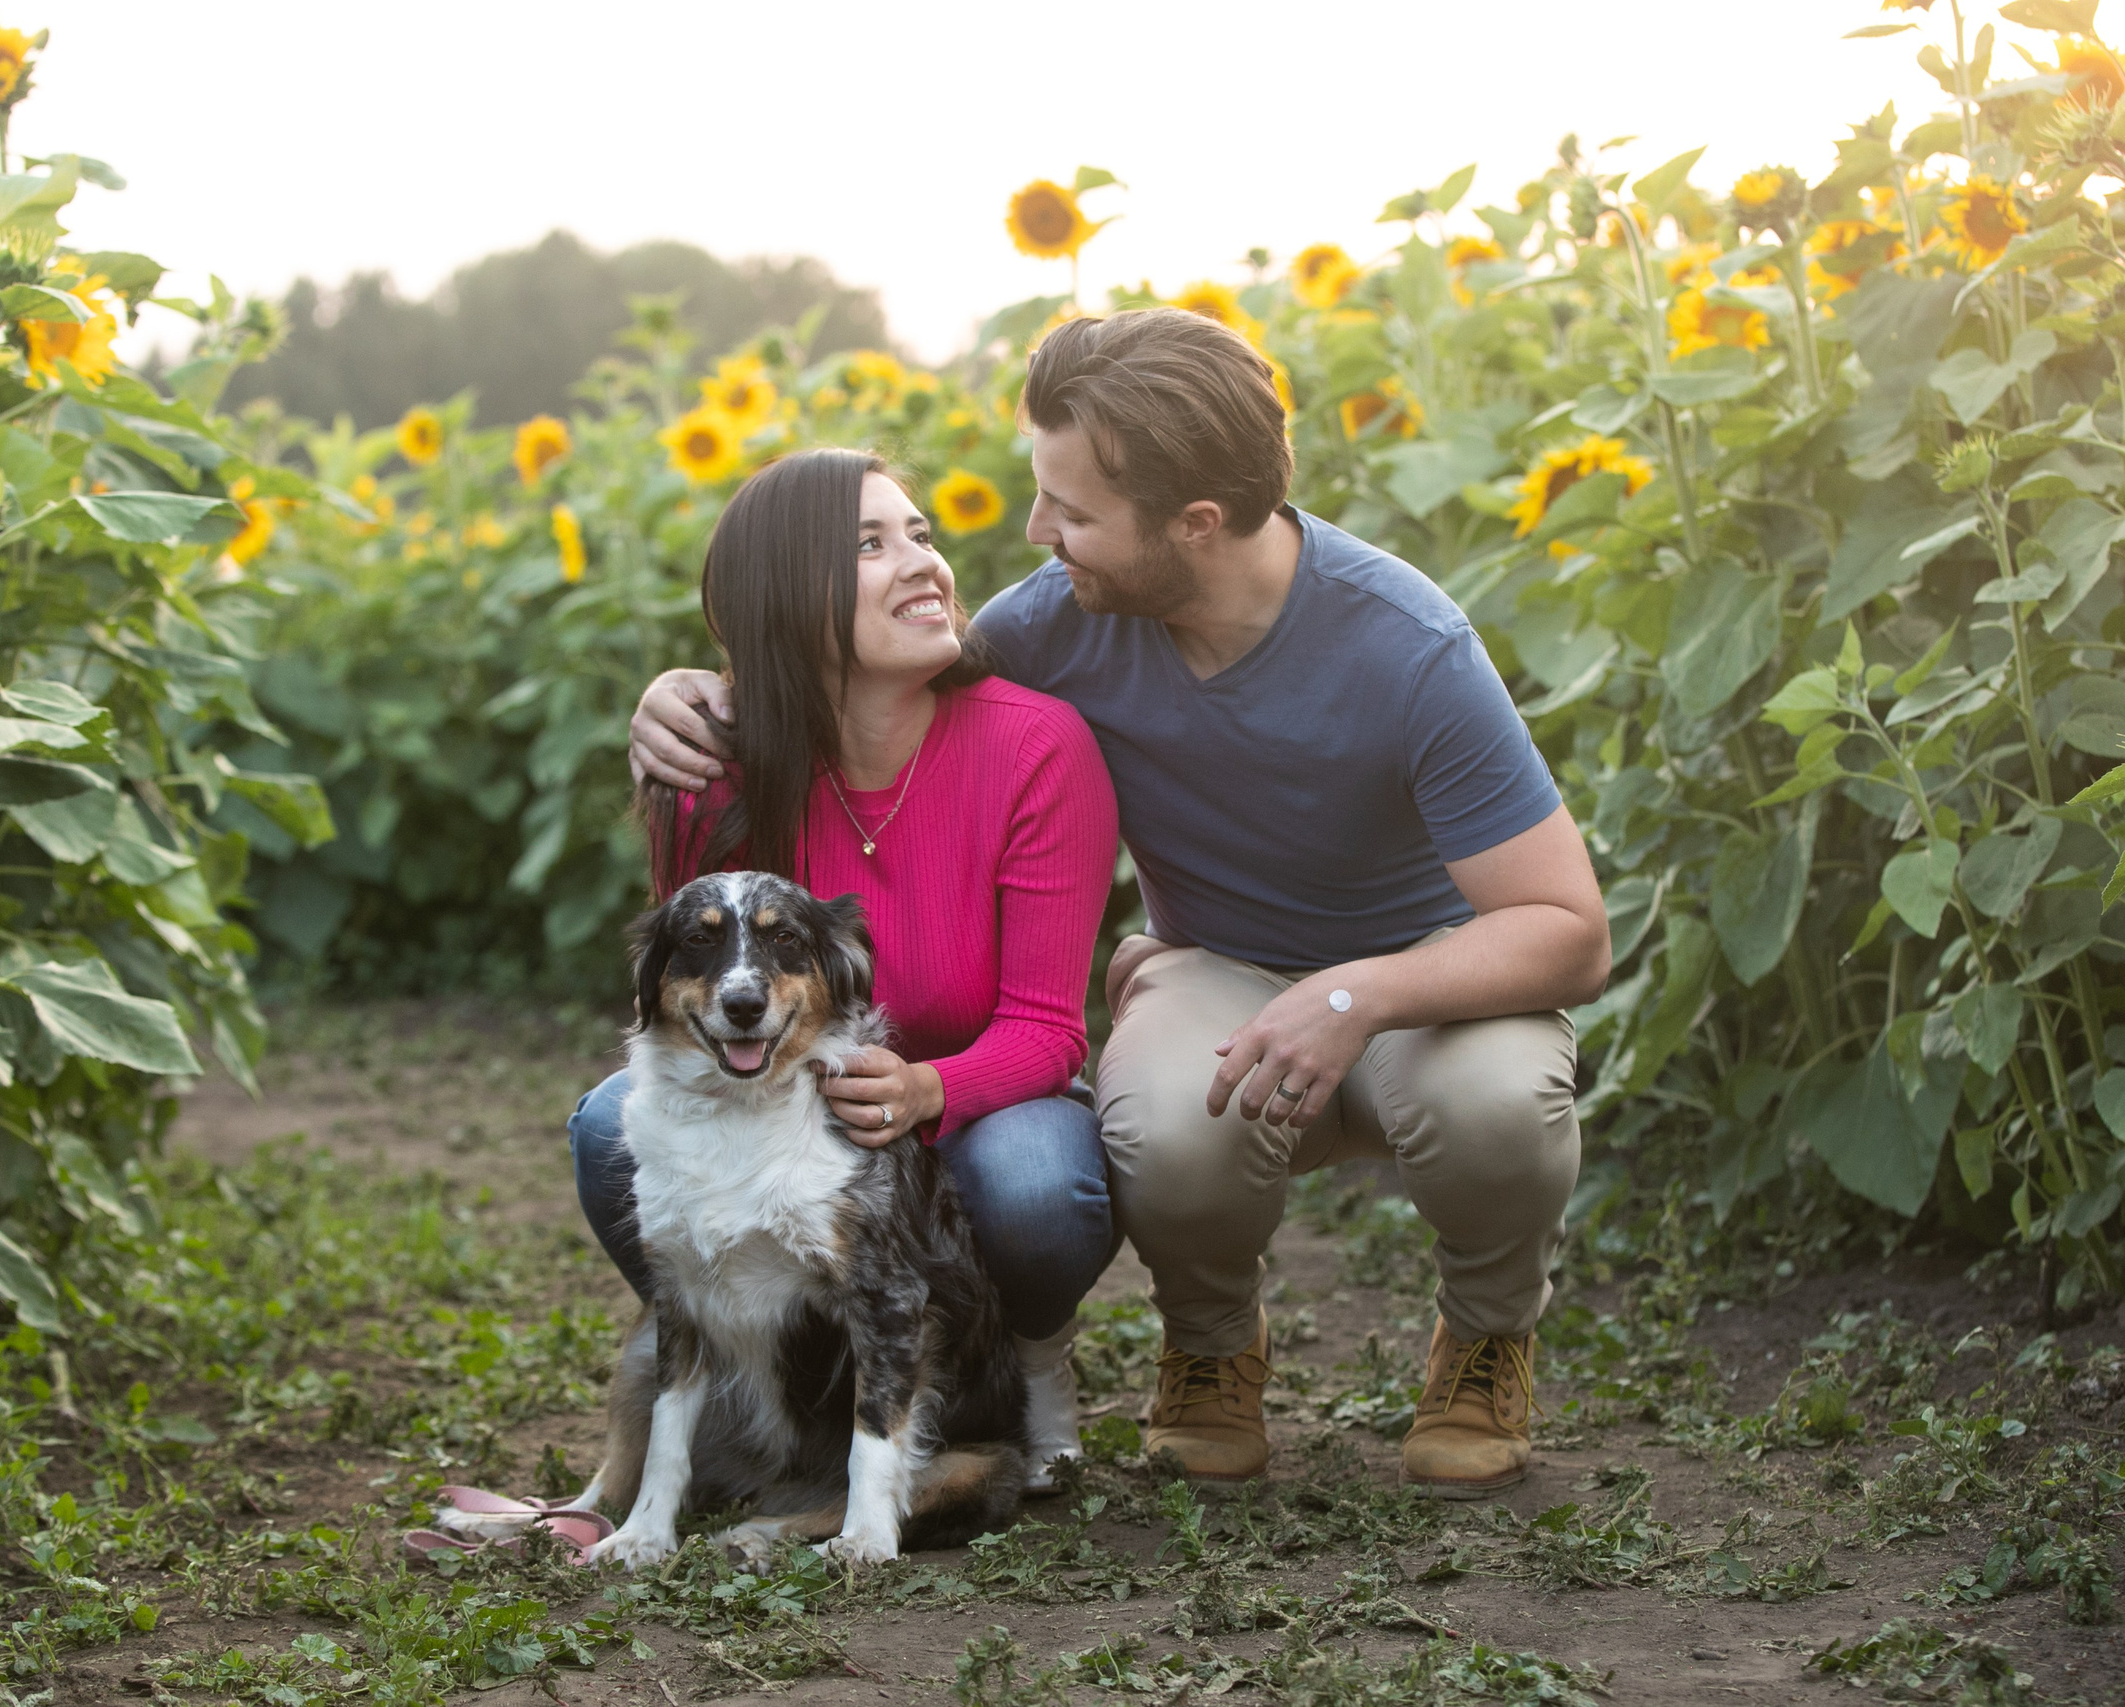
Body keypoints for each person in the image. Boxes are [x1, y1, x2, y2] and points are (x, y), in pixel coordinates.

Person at [632, 310, 1609, 1500]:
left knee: (1498, 1104)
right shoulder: (1053, 624)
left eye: (1072, 512)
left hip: (1435, 972)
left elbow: (1568, 930)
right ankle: (1210, 1346)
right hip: (1221, 965)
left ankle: (1487, 1339)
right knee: (1160, 1125)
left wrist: (1353, 997)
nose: (1038, 536)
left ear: (1193, 524)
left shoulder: (1407, 647)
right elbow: (855, 675)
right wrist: (695, 689)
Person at [572, 447, 1119, 1493]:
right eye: (870, 544)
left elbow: (1048, 1029)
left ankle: (1026, 1363)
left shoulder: (1038, 746)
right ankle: (760, 1370)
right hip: (790, 1113)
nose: (923, 563)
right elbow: (698, 1008)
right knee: (608, 1128)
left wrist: (922, 1088)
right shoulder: (712, 769)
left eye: (921, 533)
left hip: (978, 1111)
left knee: (1038, 1183)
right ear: (787, 594)